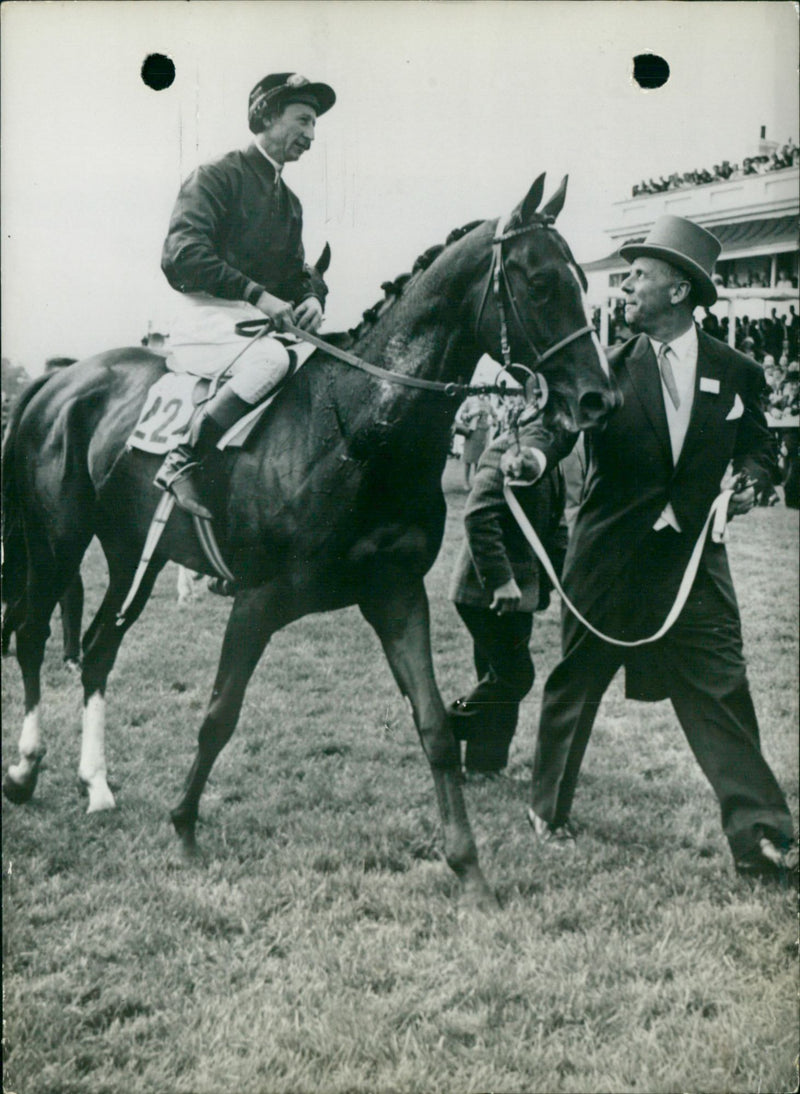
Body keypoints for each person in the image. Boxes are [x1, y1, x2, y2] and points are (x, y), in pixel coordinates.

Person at [524, 215, 796, 882]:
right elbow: (557, 427)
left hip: (694, 567)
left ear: (678, 290)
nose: (627, 288)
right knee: (577, 685)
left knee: (722, 691)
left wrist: (754, 481)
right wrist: (528, 454)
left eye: (639, 276)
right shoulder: (607, 368)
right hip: (608, 563)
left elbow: (761, 448)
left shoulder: (736, 370)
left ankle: (762, 838)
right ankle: (547, 811)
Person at [156, 72, 336, 518]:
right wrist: (257, 294)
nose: (311, 136)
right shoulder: (216, 176)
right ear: (269, 116)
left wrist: (311, 296)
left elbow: (296, 273)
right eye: (304, 121)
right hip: (205, 316)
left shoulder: (290, 202)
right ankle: (183, 459)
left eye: (314, 125)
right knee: (271, 361)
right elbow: (182, 255)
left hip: (252, 320)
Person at [447, 409, 569, 775]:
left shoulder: (550, 459)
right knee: (516, 677)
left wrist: (564, 582)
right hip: (487, 592)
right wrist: (501, 579)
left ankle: (485, 765)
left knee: (496, 676)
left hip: (516, 594)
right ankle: (443, 727)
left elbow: (554, 525)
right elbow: (479, 514)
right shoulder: (506, 450)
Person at [457, 394, 497, 488]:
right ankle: (466, 482)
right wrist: (473, 414)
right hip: (471, 432)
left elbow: (495, 415)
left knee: (478, 459)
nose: (482, 393)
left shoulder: (488, 403)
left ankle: (476, 481)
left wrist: (492, 422)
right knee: (468, 458)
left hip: (483, 432)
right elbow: (462, 416)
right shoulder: (469, 401)